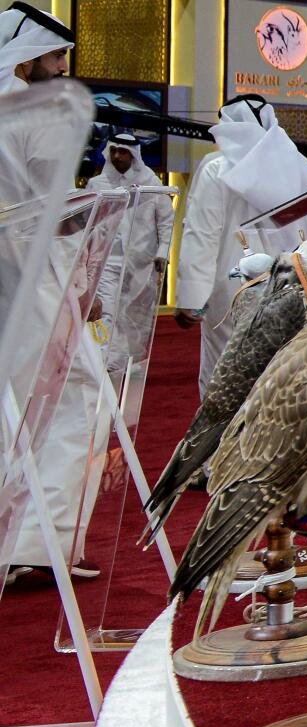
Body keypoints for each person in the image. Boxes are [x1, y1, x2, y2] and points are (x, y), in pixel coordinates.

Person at [0, 3, 109, 582]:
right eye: (56, 55)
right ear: (24, 63)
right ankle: (37, 546)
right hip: (34, 274)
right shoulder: (34, 117)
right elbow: (54, 210)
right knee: (74, 395)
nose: (64, 65)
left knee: (12, 406)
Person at [174, 94, 307, 396]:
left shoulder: (215, 168)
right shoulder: (297, 164)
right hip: (289, 287)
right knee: (278, 374)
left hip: (233, 289)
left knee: (226, 374)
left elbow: (202, 235)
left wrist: (191, 296)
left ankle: (224, 442)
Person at [86, 132, 175, 375]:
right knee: (106, 309)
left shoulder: (151, 182)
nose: (117, 156)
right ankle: (103, 361)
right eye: (113, 150)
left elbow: (166, 220)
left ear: (134, 154)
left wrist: (163, 251)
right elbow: (87, 226)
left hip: (140, 261)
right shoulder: (98, 185)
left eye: (123, 151)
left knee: (134, 314)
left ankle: (127, 360)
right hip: (105, 262)